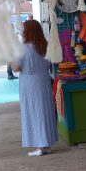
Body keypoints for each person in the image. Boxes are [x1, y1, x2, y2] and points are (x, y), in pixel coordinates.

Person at [11, 20, 58, 156]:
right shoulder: (46, 45)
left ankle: (39, 145)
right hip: (43, 80)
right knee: (45, 110)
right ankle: (46, 143)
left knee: (33, 111)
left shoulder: (23, 48)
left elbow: (16, 68)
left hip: (29, 83)